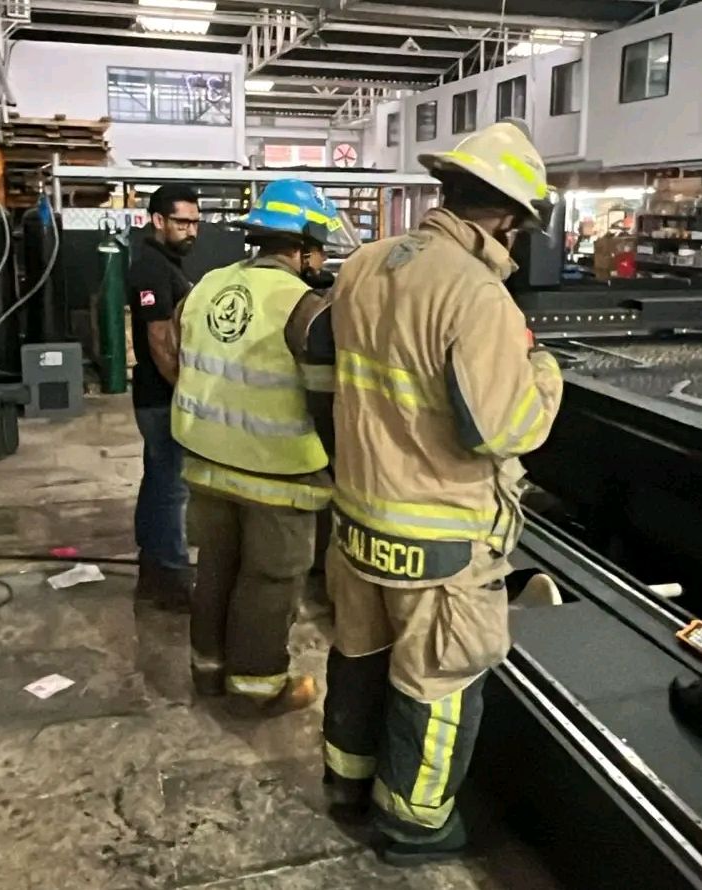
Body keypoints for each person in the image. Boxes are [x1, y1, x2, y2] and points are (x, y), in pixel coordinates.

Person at [287, 120, 564, 864]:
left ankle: (347, 788)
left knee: (359, 655)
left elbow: (328, 380)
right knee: (439, 681)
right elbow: (502, 429)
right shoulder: (478, 296)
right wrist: (545, 375)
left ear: (449, 188)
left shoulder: (364, 265)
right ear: (510, 217)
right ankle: (416, 825)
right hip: (439, 533)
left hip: (357, 518)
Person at [171, 178, 340, 714]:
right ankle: (258, 689)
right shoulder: (306, 307)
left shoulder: (209, 284)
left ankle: (209, 673)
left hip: (204, 459)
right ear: (303, 246)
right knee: (269, 581)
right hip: (276, 470)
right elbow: (326, 403)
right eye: (320, 247)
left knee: (217, 567)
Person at [128, 184, 199, 610]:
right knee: (172, 488)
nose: (191, 230)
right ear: (157, 221)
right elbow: (158, 341)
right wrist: (185, 393)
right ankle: (171, 579)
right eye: (181, 222)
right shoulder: (151, 270)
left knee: (157, 480)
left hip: (158, 396)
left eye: (195, 221)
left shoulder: (166, 265)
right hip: (161, 397)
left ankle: (152, 565)